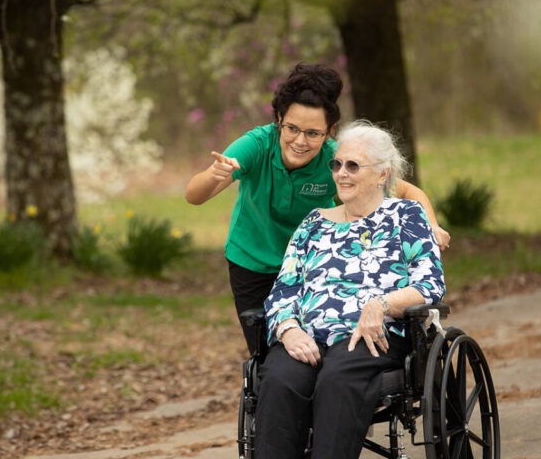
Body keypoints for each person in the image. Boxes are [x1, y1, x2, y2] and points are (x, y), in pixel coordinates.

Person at [185, 63, 449, 353]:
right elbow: (194, 196)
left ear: (329, 132)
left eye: (313, 133)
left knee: (317, 347)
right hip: (253, 262)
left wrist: (431, 225)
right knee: (267, 355)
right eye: (292, 129)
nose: (300, 141)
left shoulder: (336, 160)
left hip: (311, 267)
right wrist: (214, 175)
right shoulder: (256, 146)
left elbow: (408, 191)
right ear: (278, 120)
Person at [254, 120, 446, 459]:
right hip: (308, 337)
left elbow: (429, 284)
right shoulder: (313, 223)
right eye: (337, 164)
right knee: (281, 378)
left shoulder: (405, 215)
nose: (341, 173)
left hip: (372, 335)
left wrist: (381, 305)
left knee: (338, 379)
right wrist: (287, 329)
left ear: (383, 173)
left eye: (353, 165)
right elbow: (283, 289)